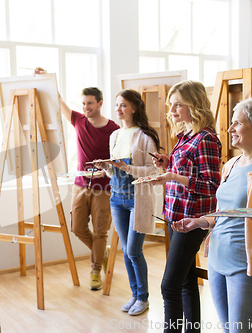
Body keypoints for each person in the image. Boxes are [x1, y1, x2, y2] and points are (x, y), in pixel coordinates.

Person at [171, 97, 252, 333]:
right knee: (228, 329)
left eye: (237, 123)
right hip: (218, 260)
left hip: (247, 265)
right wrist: (199, 221)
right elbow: (225, 213)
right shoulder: (230, 164)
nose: (229, 129)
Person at [34, 67, 120, 290]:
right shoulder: (78, 120)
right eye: (83, 104)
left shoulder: (114, 129)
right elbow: (57, 100)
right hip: (80, 185)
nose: (86, 108)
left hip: (104, 187)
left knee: (101, 231)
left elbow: (119, 160)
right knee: (77, 228)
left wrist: (107, 169)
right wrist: (45, 78)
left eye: (90, 103)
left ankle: (95, 271)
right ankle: (102, 252)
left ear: (100, 103)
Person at [150, 80, 222, 332]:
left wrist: (173, 176)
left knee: (169, 286)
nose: (172, 111)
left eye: (178, 105)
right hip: (175, 215)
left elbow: (211, 185)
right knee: (186, 282)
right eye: (172, 105)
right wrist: (168, 164)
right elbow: (187, 170)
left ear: (195, 104)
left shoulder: (206, 138)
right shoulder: (185, 135)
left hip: (193, 219)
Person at [98, 88, 160, 315]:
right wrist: (106, 167)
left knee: (134, 250)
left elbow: (154, 170)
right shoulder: (114, 136)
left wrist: (128, 167)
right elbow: (113, 174)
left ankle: (143, 298)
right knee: (126, 250)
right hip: (117, 199)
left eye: (123, 105)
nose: (118, 109)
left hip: (137, 199)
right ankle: (135, 295)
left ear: (134, 107)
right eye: (117, 105)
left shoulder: (145, 136)